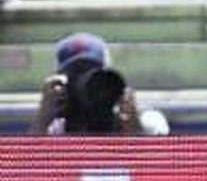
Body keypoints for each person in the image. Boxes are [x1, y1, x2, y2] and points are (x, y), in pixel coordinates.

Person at [30, 32, 167, 135]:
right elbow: (29, 162)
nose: (85, 82)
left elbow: (156, 162)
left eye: (92, 72)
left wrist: (133, 126)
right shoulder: (54, 128)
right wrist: (42, 119)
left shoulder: (148, 121)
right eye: (75, 73)